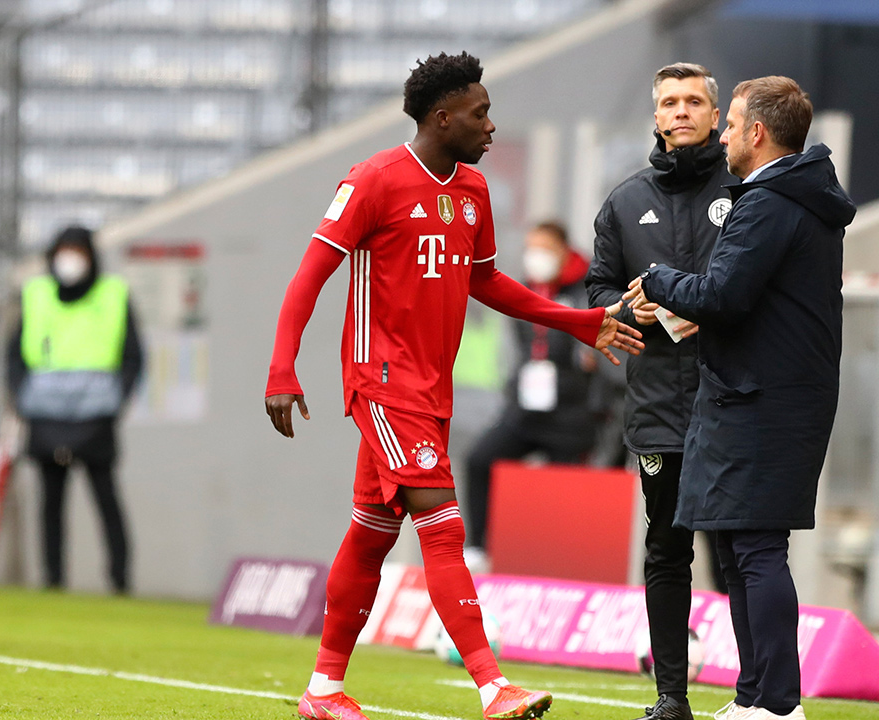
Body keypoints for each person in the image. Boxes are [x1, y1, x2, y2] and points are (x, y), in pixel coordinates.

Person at [263, 52, 643, 720]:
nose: (491, 126)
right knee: (442, 524)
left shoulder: (471, 190)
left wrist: (580, 322)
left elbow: (487, 280)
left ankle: (324, 690)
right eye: (480, 113)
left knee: (371, 534)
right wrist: (282, 368)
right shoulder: (374, 180)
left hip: (427, 391)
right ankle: (494, 686)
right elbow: (309, 273)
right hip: (381, 383)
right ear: (443, 118)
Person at [625, 76, 855, 720]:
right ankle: (754, 696)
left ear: (757, 132)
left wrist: (657, 278)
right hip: (758, 393)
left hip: (766, 398)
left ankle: (778, 704)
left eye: (730, 124)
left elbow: (723, 297)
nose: (722, 134)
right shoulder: (791, 197)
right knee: (735, 546)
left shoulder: (770, 201)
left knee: (756, 549)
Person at [585, 62, 739, 720]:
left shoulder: (746, 188)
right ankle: (671, 698)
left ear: (714, 113)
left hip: (733, 398)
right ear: (656, 116)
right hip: (656, 406)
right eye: (669, 102)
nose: (680, 111)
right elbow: (594, 290)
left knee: (737, 550)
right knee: (666, 549)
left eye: (692, 101)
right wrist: (623, 310)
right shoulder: (623, 201)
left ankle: (755, 695)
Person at [7, 225, 144, 594]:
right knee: (50, 502)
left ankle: (120, 580)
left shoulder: (113, 293)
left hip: (95, 416)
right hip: (46, 414)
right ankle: (53, 580)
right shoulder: (36, 295)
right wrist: (21, 397)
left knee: (106, 498)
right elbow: (14, 353)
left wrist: (117, 400)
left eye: (76, 251)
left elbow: (134, 355)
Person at [464, 221, 601, 570]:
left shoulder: (586, 290)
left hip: (570, 416)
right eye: (531, 247)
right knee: (479, 459)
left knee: (567, 497)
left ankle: (565, 567)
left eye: (543, 248)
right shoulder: (523, 289)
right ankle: (478, 547)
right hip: (525, 412)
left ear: (562, 250)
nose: (535, 256)